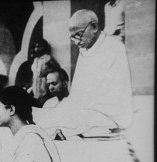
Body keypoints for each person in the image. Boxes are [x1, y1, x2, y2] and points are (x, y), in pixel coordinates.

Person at [35, 9, 133, 139]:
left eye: (79, 34)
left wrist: (77, 108)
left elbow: (115, 96)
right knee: (45, 117)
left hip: (108, 114)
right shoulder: (85, 50)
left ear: (94, 27)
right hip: (86, 111)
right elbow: (77, 93)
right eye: (72, 37)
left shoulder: (115, 48)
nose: (76, 41)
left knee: (63, 121)